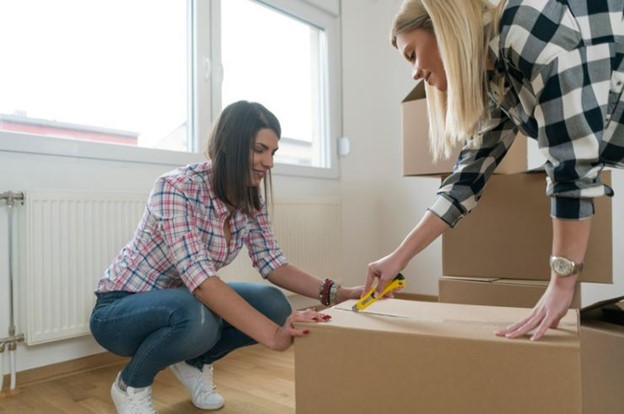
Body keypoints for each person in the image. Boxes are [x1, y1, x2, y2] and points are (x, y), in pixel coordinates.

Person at [365, 0, 624, 341]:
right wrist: (398, 257)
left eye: (412, 54)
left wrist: (562, 282)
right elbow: (466, 179)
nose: (414, 73)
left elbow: (571, 163)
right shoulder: (496, 76)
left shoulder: (522, 27)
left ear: (442, 27)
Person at [90, 100, 363, 414]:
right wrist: (275, 337)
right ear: (229, 145)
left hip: (182, 301)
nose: (269, 162)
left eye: (273, 152)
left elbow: (273, 263)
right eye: (259, 149)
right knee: (195, 312)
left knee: (274, 304)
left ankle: (195, 362)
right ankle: (131, 384)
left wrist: (338, 294)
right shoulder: (175, 188)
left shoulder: (251, 199)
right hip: (119, 309)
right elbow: (201, 281)